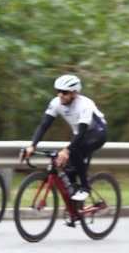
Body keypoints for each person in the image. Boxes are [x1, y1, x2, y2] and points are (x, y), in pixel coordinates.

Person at [20, 74, 107, 202]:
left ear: (74, 93)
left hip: (97, 133)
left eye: (64, 92)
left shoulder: (85, 105)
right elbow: (44, 126)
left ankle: (85, 187)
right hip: (79, 135)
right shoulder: (56, 103)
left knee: (73, 151)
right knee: (67, 165)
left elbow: (82, 131)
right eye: (58, 91)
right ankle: (75, 200)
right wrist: (32, 145)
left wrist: (67, 150)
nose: (60, 95)